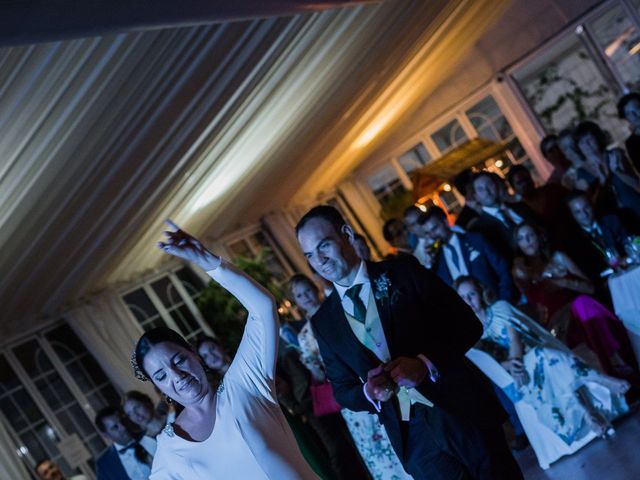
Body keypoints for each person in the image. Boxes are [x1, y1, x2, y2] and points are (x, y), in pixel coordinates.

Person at [296, 205, 523, 480]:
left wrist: (425, 363)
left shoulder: (402, 272)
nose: (319, 260)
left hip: (461, 413)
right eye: (309, 255)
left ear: (346, 233)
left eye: (324, 246)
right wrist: (368, 392)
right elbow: (342, 389)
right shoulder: (324, 322)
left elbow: (467, 324)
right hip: (414, 441)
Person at [134, 220, 318, 479]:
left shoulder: (244, 384)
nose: (177, 376)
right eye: (162, 376)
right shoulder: (170, 450)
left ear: (193, 352)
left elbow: (263, 308)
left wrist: (208, 262)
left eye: (178, 361)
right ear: (157, 386)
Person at [454, 276, 629, 469]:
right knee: (546, 359)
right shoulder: (467, 333)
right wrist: (511, 366)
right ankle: (599, 382)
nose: (469, 301)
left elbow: (514, 338)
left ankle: (588, 415)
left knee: (544, 357)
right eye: (463, 297)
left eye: (471, 294)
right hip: (513, 373)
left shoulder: (499, 309)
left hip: (527, 355)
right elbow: (490, 364)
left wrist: (516, 361)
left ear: (480, 292)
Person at [289, 274, 411, 480]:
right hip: (350, 395)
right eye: (299, 295)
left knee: (398, 436)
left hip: (373, 377)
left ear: (315, 287)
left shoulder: (340, 309)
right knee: (374, 448)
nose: (306, 297)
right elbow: (320, 377)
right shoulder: (304, 337)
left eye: (307, 290)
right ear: (296, 301)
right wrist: (312, 366)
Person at [512, 222, 637, 378]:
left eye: (530, 235)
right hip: (557, 323)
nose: (528, 241)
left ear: (539, 236)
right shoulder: (521, 271)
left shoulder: (559, 258)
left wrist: (564, 282)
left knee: (583, 304)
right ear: (518, 244)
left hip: (579, 309)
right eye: (522, 238)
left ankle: (617, 365)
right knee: (584, 307)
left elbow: (590, 288)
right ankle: (616, 365)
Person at [419, 206, 515, 301]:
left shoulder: (476, 240)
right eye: (428, 233)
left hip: (496, 303)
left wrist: (504, 300)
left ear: (445, 222)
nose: (433, 235)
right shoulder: (437, 262)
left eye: (435, 228)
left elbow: (502, 269)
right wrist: (429, 265)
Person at [565, 190, 634, 285]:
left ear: (592, 205)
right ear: (572, 216)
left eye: (586, 207)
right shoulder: (575, 242)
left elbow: (629, 243)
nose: (585, 215)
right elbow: (591, 274)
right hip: (609, 284)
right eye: (578, 212)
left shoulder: (612, 221)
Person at [574, 120, 640, 219]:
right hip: (615, 221)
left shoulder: (615, 155)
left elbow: (637, 184)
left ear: (598, 138)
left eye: (589, 139)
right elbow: (589, 208)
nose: (587, 145)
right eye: (582, 142)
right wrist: (602, 182)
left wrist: (618, 171)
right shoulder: (582, 172)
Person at [468, 171, 542, 257]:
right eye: (480, 189)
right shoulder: (479, 228)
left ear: (496, 185)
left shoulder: (521, 207)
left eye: (489, 185)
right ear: (476, 196)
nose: (487, 191)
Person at [506, 165, 570, 249]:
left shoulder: (552, 190)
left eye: (527, 179)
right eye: (520, 182)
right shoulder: (518, 211)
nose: (525, 184)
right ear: (514, 188)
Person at [95, 406, 157, 480]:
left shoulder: (151, 435)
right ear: (106, 435)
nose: (123, 428)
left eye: (122, 421)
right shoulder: (104, 464)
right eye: (115, 427)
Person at [617, 91, 640, 172]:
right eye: (629, 114)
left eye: (637, 108)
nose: (634, 115)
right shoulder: (631, 143)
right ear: (627, 119)